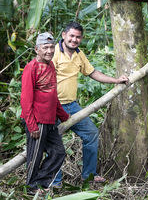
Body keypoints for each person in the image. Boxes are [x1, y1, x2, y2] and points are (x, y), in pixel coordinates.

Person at [52, 21, 128, 186]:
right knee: (54, 143)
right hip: (53, 106)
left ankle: (88, 175)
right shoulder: (54, 52)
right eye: (71, 36)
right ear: (64, 35)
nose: (74, 40)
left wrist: (116, 80)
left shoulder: (79, 54)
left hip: (72, 106)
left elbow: (93, 73)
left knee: (91, 133)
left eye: (78, 37)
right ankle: (54, 182)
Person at [20, 32, 70, 194]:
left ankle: (40, 182)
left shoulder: (50, 66)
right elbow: (26, 100)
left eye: (51, 47)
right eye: (45, 48)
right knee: (35, 156)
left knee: (58, 152)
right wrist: (32, 125)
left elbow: (53, 95)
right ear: (36, 49)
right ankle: (31, 188)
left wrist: (63, 115)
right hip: (37, 121)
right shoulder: (31, 68)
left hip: (50, 120)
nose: (49, 51)